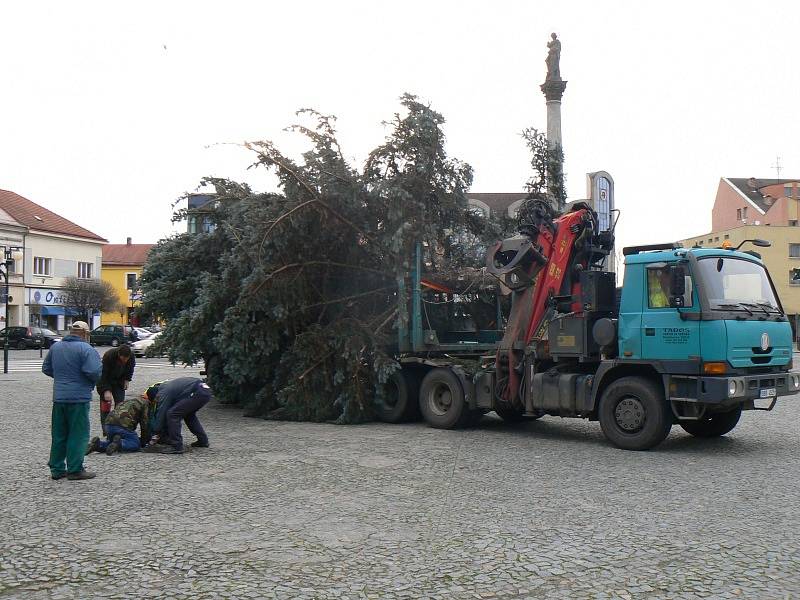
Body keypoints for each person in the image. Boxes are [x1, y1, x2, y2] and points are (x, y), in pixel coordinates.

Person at [42, 321, 102, 481]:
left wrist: (62, 379)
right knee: (78, 434)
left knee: (59, 434)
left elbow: (46, 368)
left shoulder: (56, 347)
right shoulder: (86, 349)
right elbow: (94, 371)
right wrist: (87, 382)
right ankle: (75, 469)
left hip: (59, 397)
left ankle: (56, 469)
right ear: (84, 333)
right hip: (79, 398)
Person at [142, 377, 212, 454]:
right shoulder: (167, 386)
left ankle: (177, 446)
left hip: (197, 392)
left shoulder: (163, 393)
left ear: (156, 396)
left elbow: (161, 413)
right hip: (204, 390)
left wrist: (155, 431)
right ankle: (203, 441)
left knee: (173, 414)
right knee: (189, 416)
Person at [86, 392, 155, 455]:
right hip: (122, 426)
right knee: (135, 443)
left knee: (112, 443)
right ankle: (120, 443)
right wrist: (144, 441)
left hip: (108, 425)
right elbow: (144, 425)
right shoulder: (145, 404)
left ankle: (98, 445)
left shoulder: (129, 401)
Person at [97, 344, 136, 435]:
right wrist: (106, 390)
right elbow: (102, 375)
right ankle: (106, 431)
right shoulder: (109, 356)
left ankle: (117, 428)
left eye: (126, 359)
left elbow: (130, 368)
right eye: (123, 359)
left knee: (120, 406)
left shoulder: (131, 357)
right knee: (105, 407)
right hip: (107, 381)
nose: (125, 361)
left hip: (119, 382)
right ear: (119, 355)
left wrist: (127, 379)